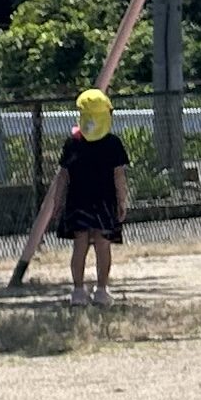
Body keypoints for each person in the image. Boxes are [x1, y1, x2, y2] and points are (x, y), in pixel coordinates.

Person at [56, 84, 130, 299]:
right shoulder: (113, 143)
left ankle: (78, 291)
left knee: (79, 245)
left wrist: (58, 202)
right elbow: (119, 176)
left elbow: (63, 176)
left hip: (77, 200)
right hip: (105, 201)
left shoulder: (73, 143)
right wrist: (122, 201)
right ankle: (102, 290)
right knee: (103, 245)